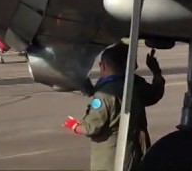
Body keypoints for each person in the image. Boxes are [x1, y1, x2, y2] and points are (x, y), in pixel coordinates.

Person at [64, 43, 166, 171]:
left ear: (103, 66)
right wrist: (156, 72)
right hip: (135, 156)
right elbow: (155, 94)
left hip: (111, 160)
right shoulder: (135, 84)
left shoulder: (105, 94)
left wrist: (75, 126)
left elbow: (91, 127)